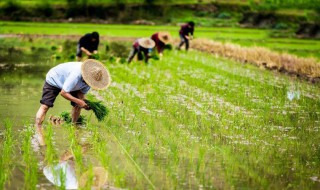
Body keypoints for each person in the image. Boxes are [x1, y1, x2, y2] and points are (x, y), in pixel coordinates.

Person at [35, 59, 111, 146]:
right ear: (86, 75)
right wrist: (79, 101)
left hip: (71, 85)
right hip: (54, 80)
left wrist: (84, 104)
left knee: (77, 106)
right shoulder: (76, 74)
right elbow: (63, 93)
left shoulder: (89, 82)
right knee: (45, 106)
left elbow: (81, 95)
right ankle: (38, 130)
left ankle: (73, 127)